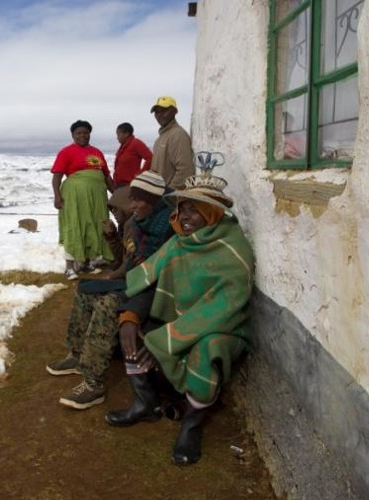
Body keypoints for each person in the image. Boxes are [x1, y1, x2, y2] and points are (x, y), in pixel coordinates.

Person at [105, 170, 254, 466]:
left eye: (193, 209)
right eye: (182, 207)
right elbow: (148, 277)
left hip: (221, 327)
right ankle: (145, 403)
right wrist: (130, 316)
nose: (184, 215)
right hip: (179, 319)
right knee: (131, 330)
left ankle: (192, 424)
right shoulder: (182, 241)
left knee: (207, 349)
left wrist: (164, 340)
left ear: (212, 213)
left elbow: (221, 310)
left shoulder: (232, 251)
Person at [46, 172, 175, 410]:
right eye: (131, 199)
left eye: (138, 199)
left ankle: (93, 383)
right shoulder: (138, 222)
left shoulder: (170, 227)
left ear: (154, 200)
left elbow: (161, 272)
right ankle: (77, 354)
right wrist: (115, 274)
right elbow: (131, 259)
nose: (132, 205)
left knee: (108, 303)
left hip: (156, 288)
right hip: (136, 280)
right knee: (86, 289)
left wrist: (121, 278)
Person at [51, 120, 115, 280]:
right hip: (75, 198)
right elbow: (57, 176)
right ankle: (70, 267)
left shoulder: (97, 152)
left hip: (97, 198)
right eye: (78, 133)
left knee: (94, 226)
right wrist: (57, 196)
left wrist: (115, 194)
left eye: (85, 132)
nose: (82, 136)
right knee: (75, 226)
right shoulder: (66, 152)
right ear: (73, 135)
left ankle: (87, 263)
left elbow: (106, 176)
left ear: (89, 134)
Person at [149, 96, 194, 190]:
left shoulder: (178, 135)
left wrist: (169, 195)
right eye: (157, 112)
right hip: (158, 196)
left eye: (164, 110)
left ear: (174, 111)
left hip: (170, 199)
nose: (160, 115)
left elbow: (185, 170)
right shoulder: (159, 140)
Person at [113, 123, 152, 189]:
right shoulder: (122, 147)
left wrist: (140, 175)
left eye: (118, 134)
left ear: (126, 133)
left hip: (131, 185)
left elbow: (150, 158)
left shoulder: (136, 143)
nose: (117, 137)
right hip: (119, 186)